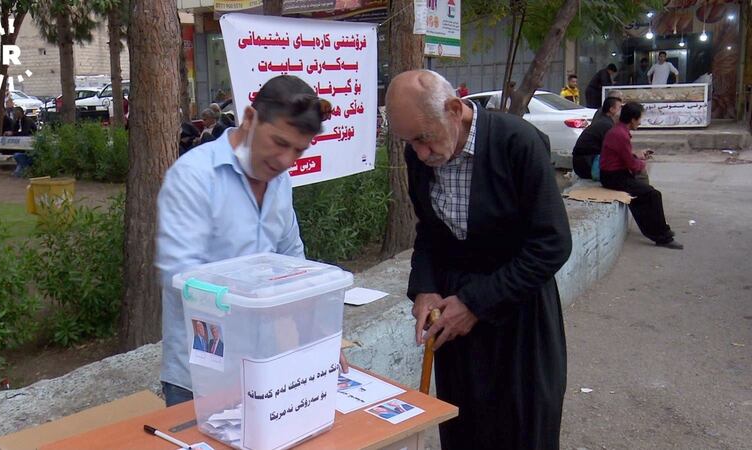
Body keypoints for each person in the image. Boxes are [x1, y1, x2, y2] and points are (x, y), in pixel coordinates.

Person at [385, 70, 572, 450]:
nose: (420, 153)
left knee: (523, 431)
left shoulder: (517, 142)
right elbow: (429, 232)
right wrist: (424, 289)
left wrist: (475, 303)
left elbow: (551, 243)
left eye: (424, 138)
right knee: (465, 429)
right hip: (455, 323)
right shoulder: (419, 153)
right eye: (409, 142)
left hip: (518, 313)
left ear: (455, 110)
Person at [156, 75, 347, 407]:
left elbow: (293, 261)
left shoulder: (279, 180)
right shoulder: (194, 177)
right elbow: (179, 277)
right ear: (249, 119)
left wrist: (317, 341)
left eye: (298, 150)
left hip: (266, 365)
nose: (287, 160)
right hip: (202, 374)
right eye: (279, 142)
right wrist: (259, 299)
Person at [600, 102, 683, 249]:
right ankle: (662, 236)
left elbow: (625, 157)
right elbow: (631, 164)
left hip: (617, 174)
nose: (640, 122)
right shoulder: (620, 134)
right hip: (613, 177)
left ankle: (660, 231)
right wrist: (642, 163)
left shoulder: (619, 131)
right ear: (632, 119)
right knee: (653, 195)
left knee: (646, 194)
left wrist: (637, 158)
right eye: (639, 119)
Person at [572, 96, 622, 179]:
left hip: (584, 163)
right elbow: (614, 150)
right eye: (620, 108)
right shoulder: (606, 125)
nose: (622, 111)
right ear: (612, 109)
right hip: (587, 165)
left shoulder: (604, 121)